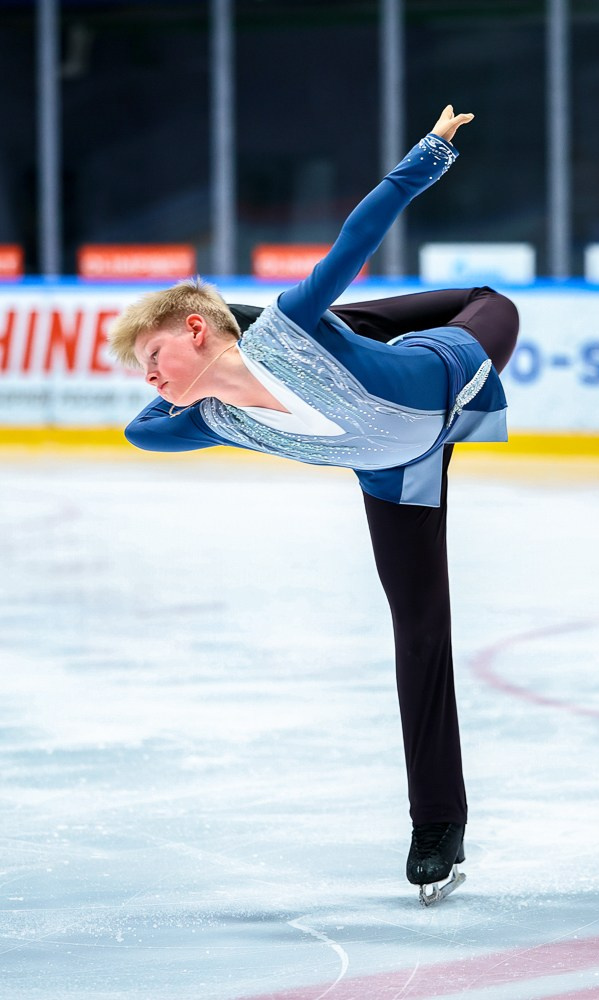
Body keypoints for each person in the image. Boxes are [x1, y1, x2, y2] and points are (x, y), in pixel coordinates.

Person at [108, 104, 519, 901]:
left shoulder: (286, 329)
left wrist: (430, 152)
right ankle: (437, 826)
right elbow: (140, 431)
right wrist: (196, 381)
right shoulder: (212, 421)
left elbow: (358, 236)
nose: (148, 377)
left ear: (196, 328)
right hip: (395, 471)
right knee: (418, 631)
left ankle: (328, 327)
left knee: (441, 302)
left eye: (153, 355)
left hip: (448, 367)